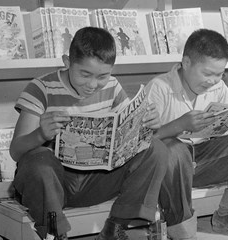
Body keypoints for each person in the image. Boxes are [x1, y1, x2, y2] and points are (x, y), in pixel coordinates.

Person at [10, 27, 170, 239]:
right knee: (38, 160)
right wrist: (40, 134)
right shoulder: (40, 88)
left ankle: (115, 227)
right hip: (54, 187)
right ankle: (55, 233)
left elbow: (129, 138)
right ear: (67, 62)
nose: (93, 85)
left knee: (156, 149)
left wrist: (149, 126)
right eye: (85, 74)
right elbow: (16, 151)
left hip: (97, 180)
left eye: (103, 76)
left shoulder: (112, 86)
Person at [146, 29, 228, 239]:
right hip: (171, 171)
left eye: (219, 74)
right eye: (207, 74)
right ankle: (180, 227)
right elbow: (141, 143)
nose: (213, 80)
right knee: (174, 148)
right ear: (186, 63)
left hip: (205, 161)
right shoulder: (159, 87)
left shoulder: (218, 87)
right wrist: (180, 124)